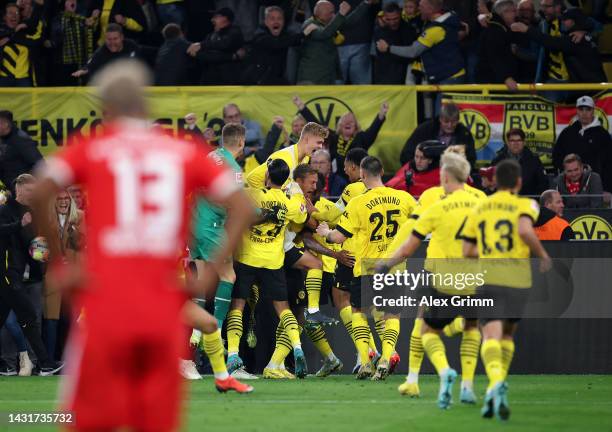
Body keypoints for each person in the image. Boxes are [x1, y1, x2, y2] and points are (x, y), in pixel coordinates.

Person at [32, 60, 254, 431]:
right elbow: (242, 206)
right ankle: (217, 374)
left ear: (106, 110)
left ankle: (218, 374)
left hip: (107, 303)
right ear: (146, 104)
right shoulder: (182, 152)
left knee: (83, 420)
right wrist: (213, 269)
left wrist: (58, 263)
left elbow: (40, 190)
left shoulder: (94, 148)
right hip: (161, 309)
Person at [383, 152, 484, 408]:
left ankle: (416, 378)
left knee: (424, 325)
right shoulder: (482, 199)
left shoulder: (432, 199)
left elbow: (409, 240)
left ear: (446, 174)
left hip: (439, 273)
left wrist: (386, 261)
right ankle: (468, 386)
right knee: (472, 327)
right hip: (475, 275)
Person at [462, 159, 551, 421]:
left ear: (496, 181)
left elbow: (467, 251)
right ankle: (496, 385)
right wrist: (542, 254)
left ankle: (495, 382)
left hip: (488, 279)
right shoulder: (527, 204)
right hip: (518, 281)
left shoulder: (480, 207)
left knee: (489, 335)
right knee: (508, 336)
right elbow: (524, 229)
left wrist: (489, 251)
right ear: (519, 182)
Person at [316, 156, 418, 380]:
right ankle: (385, 358)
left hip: (366, 268)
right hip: (395, 268)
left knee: (359, 313)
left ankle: (365, 362)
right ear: (382, 171)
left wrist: (325, 234)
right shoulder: (405, 198)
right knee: (392, 315)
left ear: (362, 176)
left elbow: (339, 236)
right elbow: (422, 227)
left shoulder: (358, 203)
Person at [226, 158, 310, 378]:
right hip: (273, 261)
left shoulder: (253, 194)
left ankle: (233, 353)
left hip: (248, 258)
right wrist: (295, 189)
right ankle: (298, 347)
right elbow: (302, 213)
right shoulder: (288, 200)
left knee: (238, 305)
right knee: (283, 308)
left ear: (267, 176)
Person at [188, 123, 245, 358]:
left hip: (194, 222)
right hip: (212, 225)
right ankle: (217, 330)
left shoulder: (211, 155)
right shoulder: (234, 169)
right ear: (241, 142)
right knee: (228, 275)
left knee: (202, 278)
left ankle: (195, 333)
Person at [0, 174, 64, 376]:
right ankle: (45, 363)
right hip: (8, 273)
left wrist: (44, 253)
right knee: (28, 315)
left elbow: (35, 242)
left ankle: (44, 363)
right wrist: (20, 224)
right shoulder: (4, 210)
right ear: (19, 189)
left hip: (23, 273)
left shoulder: (33, 213)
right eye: (29, 191)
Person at [376, 0, 465, 112]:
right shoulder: (448, 18)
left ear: (430, 9)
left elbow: (413, 51)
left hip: (449, 78)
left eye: (421, 7)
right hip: (450, 75)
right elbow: (462, 27)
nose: (419, 9)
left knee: (443, 116)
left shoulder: (435, 30)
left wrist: (389, 48)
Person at [294, 95, 388, 180]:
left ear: (356, 126)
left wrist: (381, 114)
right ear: (339, 125)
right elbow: (316, 126)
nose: (348, 122)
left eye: (351, 122)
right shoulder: (333, 137)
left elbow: (373, 130)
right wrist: (301, 107)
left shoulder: (361, 138)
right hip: (336, 180)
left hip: (358, 179)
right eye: (345, 121)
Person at [511, 7, 606, 84]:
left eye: (566, 19)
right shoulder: (585, 35)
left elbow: (552, 42)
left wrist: (527, 30)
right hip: (594, 82)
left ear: (573, 21)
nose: (563, 22)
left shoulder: (576, 39)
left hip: (590, 86)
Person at [43, 188, 83, 362]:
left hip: (73, 275)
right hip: (52, 275)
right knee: (51, 319)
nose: (63, 202)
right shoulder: (45, 220)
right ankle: (49, 362)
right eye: (59, 199)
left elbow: (85, 244)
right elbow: (38, 247)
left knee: (70, 319)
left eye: (66, 199)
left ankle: (68, 361)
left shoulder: (79, 217)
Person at [552, 96, 612, 192]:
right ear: (577, 111)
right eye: (581, 109)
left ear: (593, 110)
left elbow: (609, 165)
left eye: (588, 109)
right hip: (567, 188)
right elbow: (557, 158)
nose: (584, 113)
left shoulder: (603, 135)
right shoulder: (567, 133)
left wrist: (608, 189)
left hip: (595, 188)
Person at [243, 6, 313, 85]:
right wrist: (303, 34)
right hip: (255, 83)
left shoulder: (285, 35)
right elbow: (277, 43)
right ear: (265, 22)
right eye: (272, 19)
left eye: (279, 19)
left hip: (275, 81)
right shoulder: (260, 36)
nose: (276, 22)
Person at [246, 121, 327, 189]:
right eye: (318, 142)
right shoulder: (283, 157)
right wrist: (269, 200)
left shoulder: (305, 158)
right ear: (306, 139)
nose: (320, 146)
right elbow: (253, 178)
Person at [296, 1, 358, 84]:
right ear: (321, 13)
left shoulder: (330, 25)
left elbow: (349, 21)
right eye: (331, 12)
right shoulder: (309, 24)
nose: (333, 15)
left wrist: (365, 4)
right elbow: (324, 34)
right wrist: (341, 14)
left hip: (328, 77)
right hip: (311, 79)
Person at [400, 103, 476, 169]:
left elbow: (470, 159)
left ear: (458, 120)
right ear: (440, 119)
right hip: (424, 174)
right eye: (446, 121)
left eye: (453, 122)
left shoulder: (464, 134)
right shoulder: (424, 130)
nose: (450, 125)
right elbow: (406, 155)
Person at [187, 7, 245, 85]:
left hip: (227, 81)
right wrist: (232, 56)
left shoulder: (235, 32)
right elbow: (207, 56)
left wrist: (201, 45)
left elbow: (224, 44)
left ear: (225, 18)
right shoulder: (211, 35)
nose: (212, 20)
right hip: (209, 79)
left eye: (216, 17)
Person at [47, 0, 98, 86]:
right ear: (65, 4)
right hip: (64, 63)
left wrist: (94, 19)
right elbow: (57, 37)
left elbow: (90, 33)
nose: (73, 2)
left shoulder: (81, 19)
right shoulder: (58, 19)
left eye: (74, 0)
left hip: (79, 61)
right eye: (69, 0)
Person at [72, 23, 141, 81]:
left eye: (115, 39)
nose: (112, 42)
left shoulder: (132, 46)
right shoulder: (101, 52)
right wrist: (83, 70)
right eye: (109, 39)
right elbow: (90, 64)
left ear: (122, 37)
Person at [490, 128, 549, 196]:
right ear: (508, 143)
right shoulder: (498, 161)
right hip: (504, 202)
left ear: (523, 142)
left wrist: (535, 200)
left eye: (519, 140)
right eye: (512, 140)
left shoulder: (534, 161)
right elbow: (492, 185)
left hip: (528, 201)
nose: (516, 143)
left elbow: (543, 184)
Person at [476, 0, 520, 90]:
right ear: (505, 12)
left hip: (496, 79)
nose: (516, 15)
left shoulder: (501, 28)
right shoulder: (495, 30)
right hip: (492, 82)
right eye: (514, 11)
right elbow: (494, 56)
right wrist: (506, 78)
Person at [373, 2, 417, 84]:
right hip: (383, 74)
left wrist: (388, 48)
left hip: (403, 75)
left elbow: (410, 55)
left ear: (400, 14)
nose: (392, 22)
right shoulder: (380, 30)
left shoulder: (409, 30)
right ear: (384, 17)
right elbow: (381, 52)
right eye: (389, 19)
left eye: (395, 19)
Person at [0, 110, 43, 190]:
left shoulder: (21, 139)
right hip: (8, 189)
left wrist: (26, 185)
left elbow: (39, 164)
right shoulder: (3, 139)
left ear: (5, 124)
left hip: (22, 192)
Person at [0, 3, 38, 87]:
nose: (14, 15)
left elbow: (36, 42)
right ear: (4, 17)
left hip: (23, 79)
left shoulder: (26, 33)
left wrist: (11, 36)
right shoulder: (1, 32)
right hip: (3, 78)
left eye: (17, 13)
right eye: (10, 13)